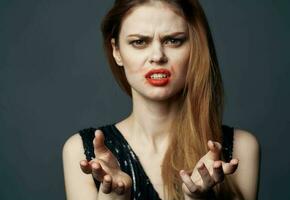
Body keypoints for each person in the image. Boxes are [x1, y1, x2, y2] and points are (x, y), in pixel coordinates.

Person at [62, 0, 260, 199]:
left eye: (173, 40)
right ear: (117, 51)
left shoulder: (241, 148)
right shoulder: (80, 151)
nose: (157, 56)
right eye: (139, 42)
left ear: (195, 47)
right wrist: (114, 197)